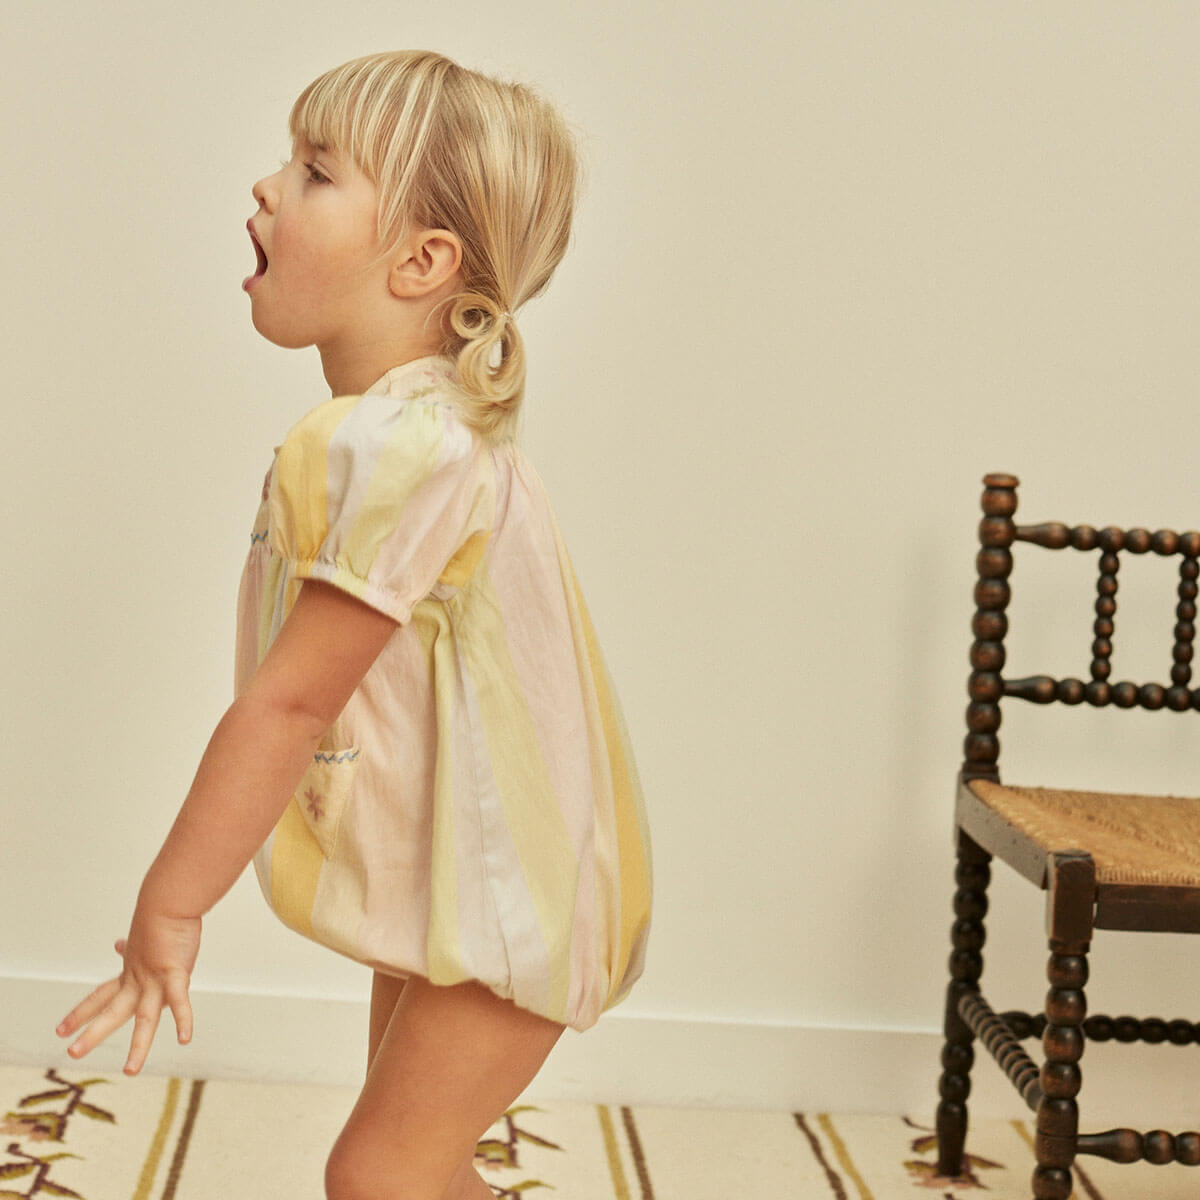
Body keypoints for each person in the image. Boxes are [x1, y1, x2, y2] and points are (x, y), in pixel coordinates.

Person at [55, 49, 652, 1200]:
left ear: (423, 261)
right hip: (471, 884)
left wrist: (171, 903)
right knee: (416, 1173)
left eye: (316, 171)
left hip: (507, 898)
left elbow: (287, 704)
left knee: (381, 1177)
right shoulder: (405, 433)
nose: (266, 186)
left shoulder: (398, 445)